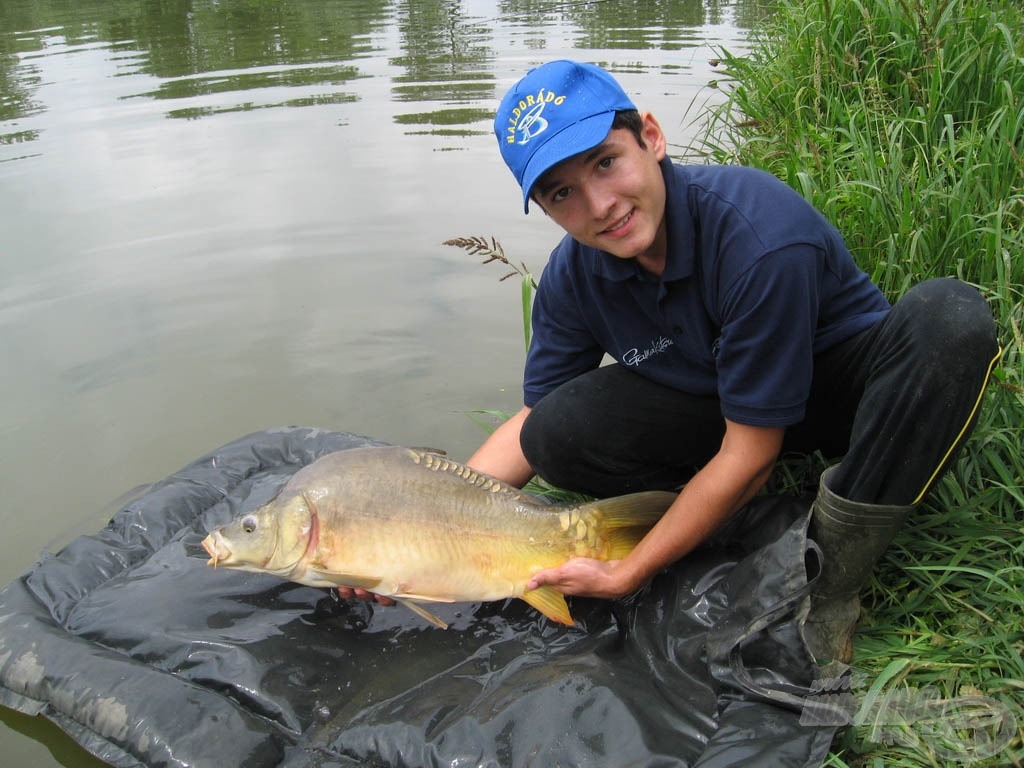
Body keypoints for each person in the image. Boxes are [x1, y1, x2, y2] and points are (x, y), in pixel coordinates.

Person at [347, 60, 1000, 667]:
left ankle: (829, 574)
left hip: (842, 395)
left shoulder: (758, 235)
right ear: (544, 209)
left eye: (606, 163)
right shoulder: (573, 278)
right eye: (562, 193)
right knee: (556, 428)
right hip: (727, 407)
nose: (598, 205)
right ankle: (737, 511)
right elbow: (528, 422)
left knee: (951, 318)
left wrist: (631, 572)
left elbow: (750, 451)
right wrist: (422, 527)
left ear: (651, 138)